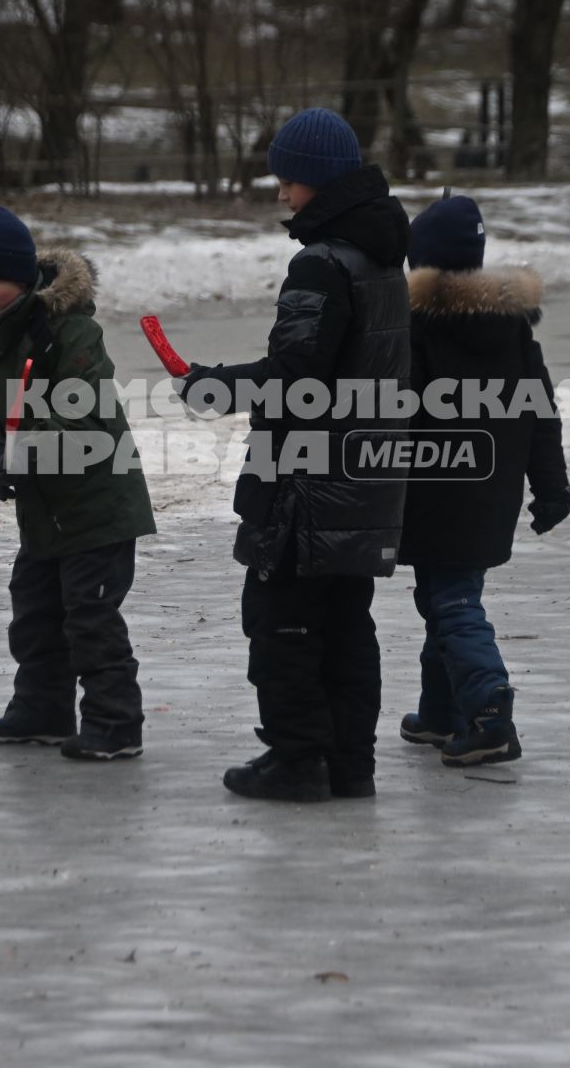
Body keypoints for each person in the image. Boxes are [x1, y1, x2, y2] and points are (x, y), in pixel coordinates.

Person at [178, 108, 410, 802]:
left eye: (290, 179)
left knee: (281, 620)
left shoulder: (321, 263)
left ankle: (298, 758)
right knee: (346, 622)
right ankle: (349, 763)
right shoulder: (382, 258)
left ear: (318, 181)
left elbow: (296, 379)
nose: (282, 193)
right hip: (365, 478)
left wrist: (215, 388)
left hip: (307, 481)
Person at [0, 205, 156, 761]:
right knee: (35, 611)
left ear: (21, 277)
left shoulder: (71, 331)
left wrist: (22, 453)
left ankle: (115, 724)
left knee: (89, 618)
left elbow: (83, 416)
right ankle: (42, 709)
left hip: (97, 502)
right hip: (45, 506)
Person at [395, 195, 570, 767]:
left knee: (451, 599)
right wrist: (551, 488)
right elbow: (541, 413)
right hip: (491, 493)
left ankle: (489, 711)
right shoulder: (514, 330)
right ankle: (441, 714)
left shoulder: (417, 328)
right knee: (442, 596)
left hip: (434, 490)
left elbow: (395, 410)